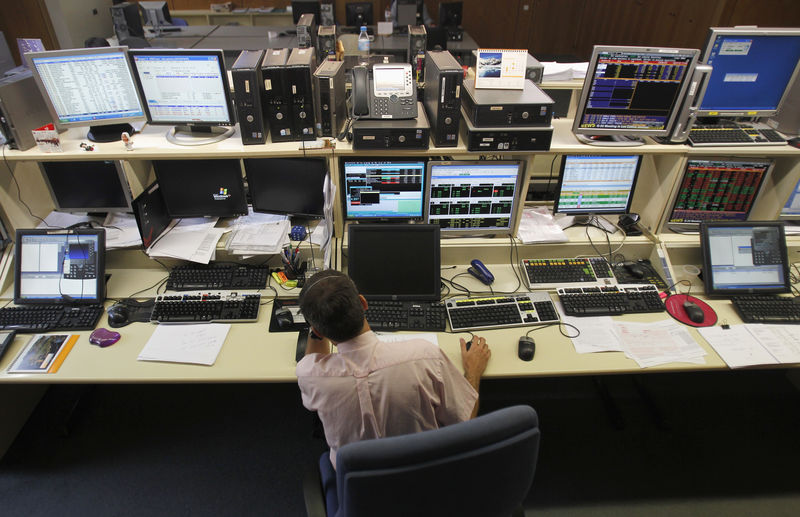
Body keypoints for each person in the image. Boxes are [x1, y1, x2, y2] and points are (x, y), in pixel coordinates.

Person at [296, 269, 491, 467]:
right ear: (363, 303)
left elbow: (313, 359)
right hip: (426, 479)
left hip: (359, 491)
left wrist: (317, 329)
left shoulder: (310, 375)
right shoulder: (425, 356)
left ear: (317, 330)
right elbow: (465, 423)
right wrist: (473, 372)